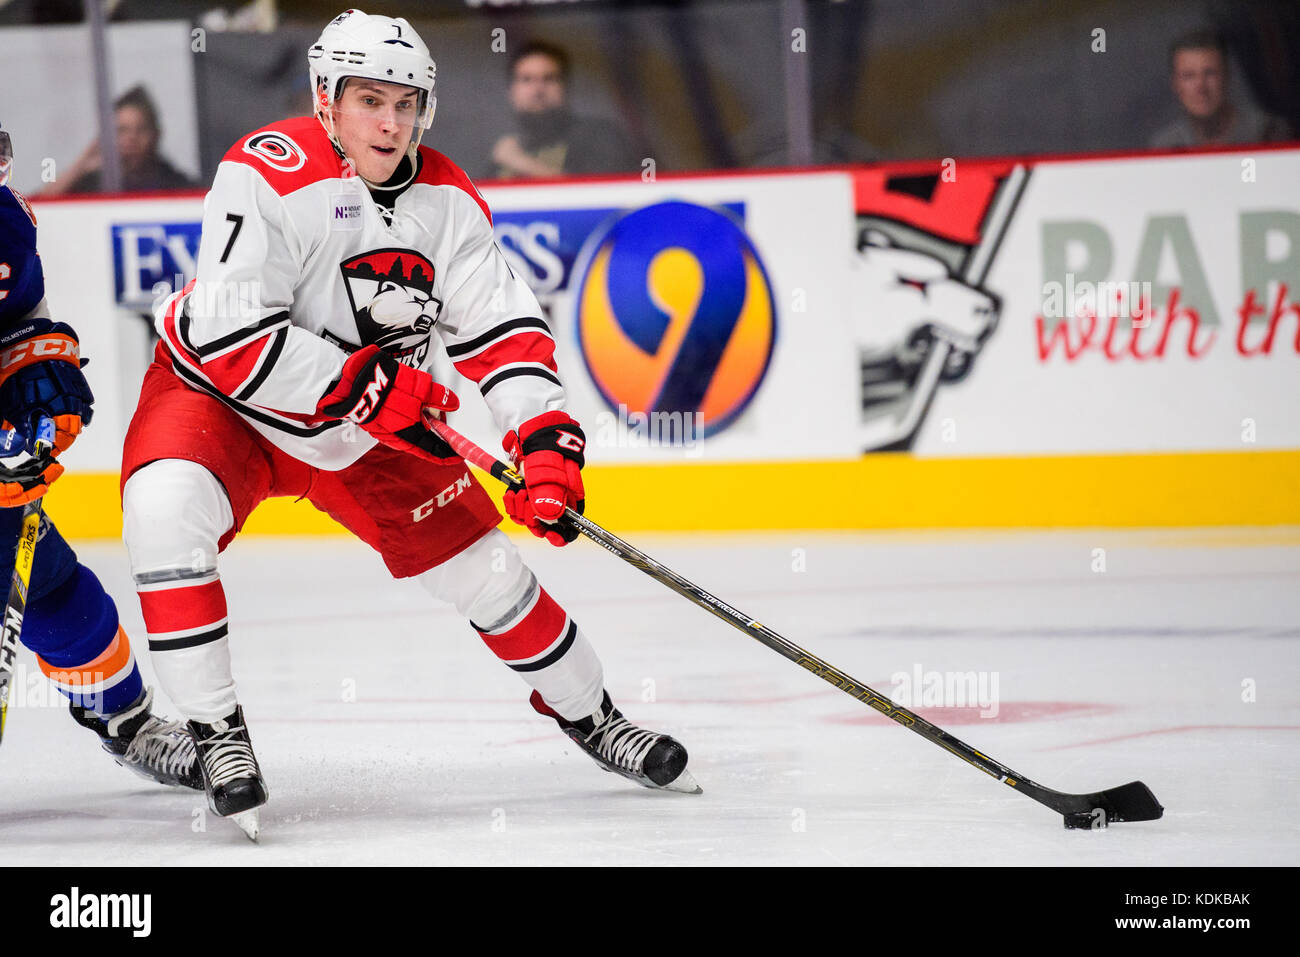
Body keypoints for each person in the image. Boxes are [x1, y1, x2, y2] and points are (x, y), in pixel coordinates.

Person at [120, 9, 697, 828]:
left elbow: (503, 328)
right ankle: (218, 731)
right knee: (163, 509)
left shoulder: (448, 199)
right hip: (225, 401)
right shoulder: (266, 170)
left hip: (368, 426)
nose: (391, 123)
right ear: (327, 100)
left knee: (488, 574)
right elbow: (227, 329)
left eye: (406, 103)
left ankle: (593, 713)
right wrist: (355, 384)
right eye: (369, 101)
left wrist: (542, 442)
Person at [0, 121, 201, 790]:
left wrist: (39, 387)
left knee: (53, 592)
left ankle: (129, 723)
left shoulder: (5, 222)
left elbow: (23, 325)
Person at [489, 41, 640, 178]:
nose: (538, 89)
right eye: (526, 79)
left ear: (565, 87)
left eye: (549, 78)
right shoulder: (505, 152)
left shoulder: (599, 136)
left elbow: (602, 198)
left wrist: (522, 163)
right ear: (511, 91)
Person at [1149, 29, 1292, 149]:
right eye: (1189, 76)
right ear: (1175, 84)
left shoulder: (1267, 132)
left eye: (1210, 73)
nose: (1201, 87)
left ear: (1227, 77)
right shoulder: (1166, 146)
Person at [41, 86, 197, 196]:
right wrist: (82, 165)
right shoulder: (94, 183)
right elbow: (40, 210)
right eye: (122, 130)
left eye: (141, 129)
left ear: (156, 135)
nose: (132, 138)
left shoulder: (176, 184)